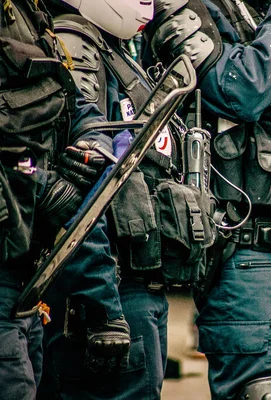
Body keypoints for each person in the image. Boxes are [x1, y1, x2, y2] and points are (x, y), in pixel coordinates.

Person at [142, 0, 271, 398]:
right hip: (243, 249)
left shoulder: (266, 14)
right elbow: (243, 89)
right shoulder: (187, 11)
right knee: (261, 391)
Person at [37, 1, 215, 398]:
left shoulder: (115, 51)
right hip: (107, 289)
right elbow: (81, 190)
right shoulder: (78, 45)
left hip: (137, 286)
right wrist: (102, 307)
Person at [0, 0, 115, 398]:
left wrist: (90, 148)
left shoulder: (32, 16)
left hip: (27, 284)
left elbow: (78, 108)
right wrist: (41, 183)